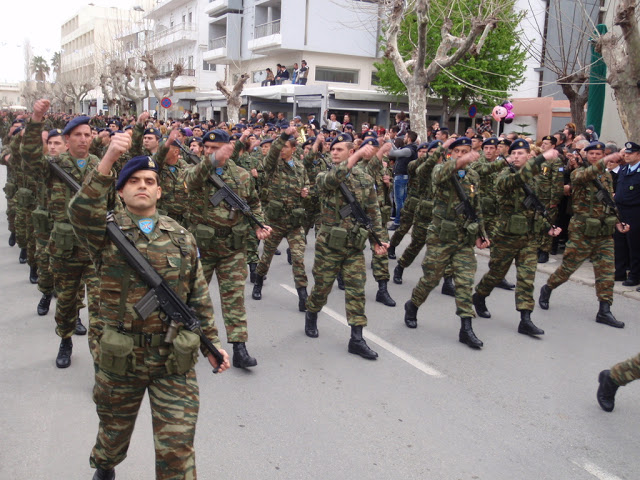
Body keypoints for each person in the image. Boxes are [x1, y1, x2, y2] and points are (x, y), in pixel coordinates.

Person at [68, 139, 230, 480]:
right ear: (121, 191)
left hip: (173, 360)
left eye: (150, 182)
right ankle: (105, 467)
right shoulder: (105, 234)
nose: (142, 186)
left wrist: (211, 345)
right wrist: (110, 156)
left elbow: (197, 297)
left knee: (178, 450)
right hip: (120, 359)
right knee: (112, 437)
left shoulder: (182, 238)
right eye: (134, 181)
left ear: (159, 192)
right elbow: (80, 210)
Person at [187, 130, 272, 368]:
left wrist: (259, 224)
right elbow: (192, 180)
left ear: (228, 148)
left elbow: (253, 203)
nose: (210, 152)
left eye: (216, 148)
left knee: (234, 298)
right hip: (201, 246)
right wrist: (211, 161)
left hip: (232, 248)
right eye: (207, 148)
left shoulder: (242, 175)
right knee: (193, 297)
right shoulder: (196, 170)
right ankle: (187, 343)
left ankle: (239, 348)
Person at [29, 100, 100, 368]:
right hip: (65, 249)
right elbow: (31, 158)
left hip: (95, 251)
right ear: (66, 139)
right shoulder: (53, 166)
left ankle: (99, 356)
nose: (83, 139)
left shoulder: (101, 166)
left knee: (100, 307)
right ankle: (65, 340)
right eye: (77, 135)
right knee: (67, 301)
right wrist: (37, 119)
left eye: (87, 135)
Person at [304, 133, 388, 359]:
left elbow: (373, 212)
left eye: (340, 149)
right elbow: (334, 179)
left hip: (353, 246)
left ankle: (357, 338)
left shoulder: (364, 179)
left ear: (350, 151)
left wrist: (379, 240)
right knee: (322, 288)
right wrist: (361, 154)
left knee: (357, 291)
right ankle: (312, 313)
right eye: (332, 148)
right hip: (329, 246)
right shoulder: (325, 175)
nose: (333, 152)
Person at [404, 137, 491, 348]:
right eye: (457, 151)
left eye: (465, 151)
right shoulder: (441, 171)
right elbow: (440, 174)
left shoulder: (473, 175)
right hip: (440, 238)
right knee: (431, 279)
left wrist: (481, 232)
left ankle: (466, 328)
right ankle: (413, 305)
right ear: (450, 154)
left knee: (464, 282)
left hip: (464, 238)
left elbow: (476, 206)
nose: (461, 155)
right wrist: (454, 157)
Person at [472, 139, 562, 337]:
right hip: (506, 236)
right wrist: (542, 159)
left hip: (528, 237)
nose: (517, 157)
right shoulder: (504, 176)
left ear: (528, 155)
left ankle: (525, 319)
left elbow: (535, 207)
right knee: (496, 274)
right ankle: (479, 296)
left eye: (521, 153)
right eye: (514, 154)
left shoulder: (535, 178)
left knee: (527, 278)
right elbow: (517, 179)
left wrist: (548, 226)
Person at [538, 142, 630, 328]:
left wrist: (619, 222)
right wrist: (605, 161)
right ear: (586, 155)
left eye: (599, 153)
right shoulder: (578, 173)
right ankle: (548, 288)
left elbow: (609, 202)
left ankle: (604, 310)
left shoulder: (605, 176)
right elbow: (588, 174)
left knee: (606, 272)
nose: (595, 156)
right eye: (592, 153)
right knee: (568, 268)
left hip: (603, 232)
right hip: (582, 232)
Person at [252, 127, 310, 311]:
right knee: (266, 257)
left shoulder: (300, 167)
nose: (282, 149)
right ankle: (258, 283)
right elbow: (273, 151)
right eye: (281, 146)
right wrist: (283, 135)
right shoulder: (273, 164)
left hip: (294, 223)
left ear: (294, 149)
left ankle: (303, 295)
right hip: (275, 221)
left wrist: (306, 191)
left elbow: (306, 183)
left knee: (299, 259)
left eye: (286, 146)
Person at [613, 142, 640, 287]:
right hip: (620, 210)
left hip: (635, 212)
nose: (627, 155)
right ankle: (620, 272)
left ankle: (635, 275)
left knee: (634, 244)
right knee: (620, 243)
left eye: (630, 153)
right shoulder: (624, 169)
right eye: (626, 153)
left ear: (638, 154)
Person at [385, 131, 419, 229]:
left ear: (409, 139)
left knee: (399, 201)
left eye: (406, 136)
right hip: (403, 177)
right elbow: (397, 153)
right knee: (401, 201)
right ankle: (401, 221)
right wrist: (390, 141)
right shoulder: (409, 149)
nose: (404, 138)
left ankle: (397, 222)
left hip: (401, 177)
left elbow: (393, 152)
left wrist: (388, 140)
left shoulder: (409, 150)